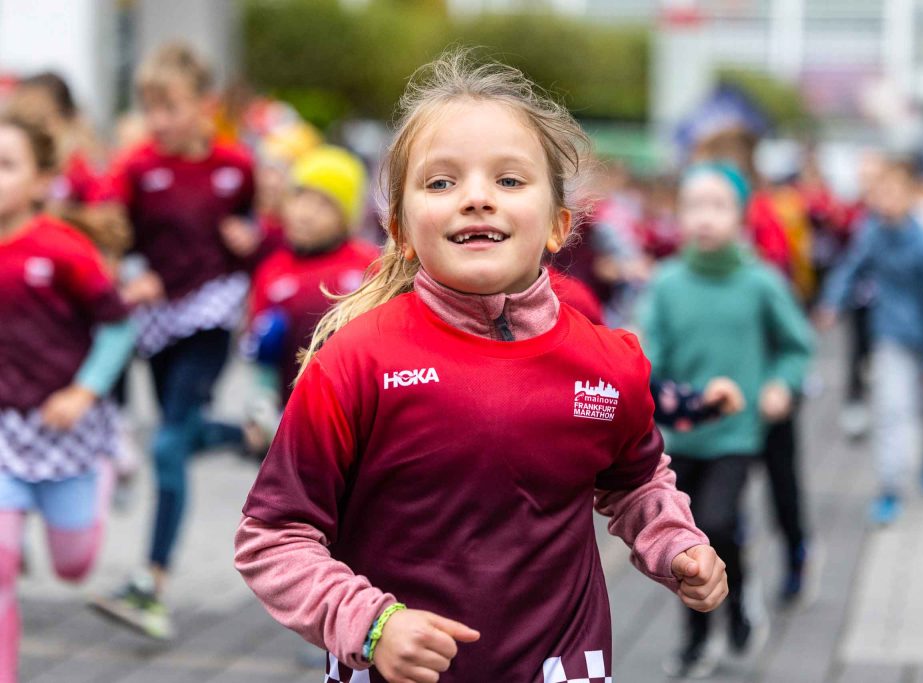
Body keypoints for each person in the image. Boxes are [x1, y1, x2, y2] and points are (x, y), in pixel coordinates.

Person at [235, 51, 733, 683]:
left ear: (557, 225)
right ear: (401, 229)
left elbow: (635, 481)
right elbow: (273, 534)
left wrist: (676, 543)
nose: (476, 198)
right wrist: (370, 623)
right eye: (441, 183)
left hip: (564, 665)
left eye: (509, 181)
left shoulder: (609, 362)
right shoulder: (355, 361)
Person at [88, 42, 255, 639]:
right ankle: (252, 434)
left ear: (205, 105)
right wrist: (126, 271)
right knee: (175, 440)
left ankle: (151, 583)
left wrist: (251, 239)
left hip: (210, 312)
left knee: (166, 444)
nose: (158, 119)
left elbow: (260, 232)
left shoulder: (236, 166)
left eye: (170, 106)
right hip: (158, 318)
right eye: (149, 107)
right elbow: (109, 233)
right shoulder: (135, 167)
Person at [640, 161, 814, 678]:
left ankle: (736, 600)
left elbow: (798, 345)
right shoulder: (666, 284)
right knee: (685, 542)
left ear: (740, 215)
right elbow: (646, 359)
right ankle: (696, 639)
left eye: (718, 206)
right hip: (679, 435)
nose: (705, 217)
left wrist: (781, 383)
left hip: (738, 434)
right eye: (694, 205)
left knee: (716, 522)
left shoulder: (760, 282)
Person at [0, 113, 136, 683]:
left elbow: (119, 327)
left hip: (67, 430)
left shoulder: (62, 249)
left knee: (72, 566)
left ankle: (105, 471)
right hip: (4, 432)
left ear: (40, 182)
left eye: (6, 165)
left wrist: (83, 391)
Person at [817, 158, 923, 525]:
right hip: (889, 336)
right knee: (891, 410)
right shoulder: (872, 234)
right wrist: (833, 302)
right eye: (880, 193)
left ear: (911, 195)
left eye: (895, 192)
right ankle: (890, 488)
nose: (887, 201)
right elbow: (851, 268)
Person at [243, 145, 378, 447]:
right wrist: (257, 412)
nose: (306, 213)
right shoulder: (272, 271)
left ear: (346, 217)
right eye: (300, 197)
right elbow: (261, 354)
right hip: (290, 420)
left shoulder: (370, 266)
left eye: (323, 204)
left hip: (355, 421)